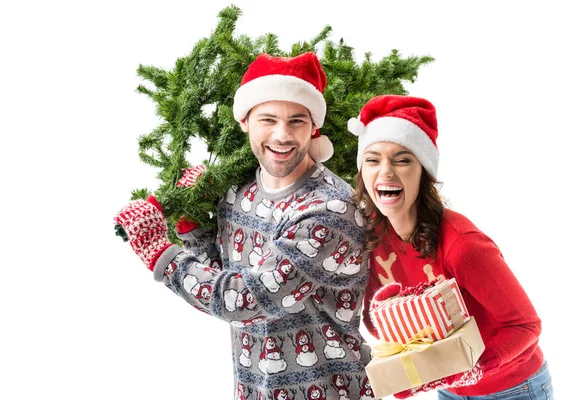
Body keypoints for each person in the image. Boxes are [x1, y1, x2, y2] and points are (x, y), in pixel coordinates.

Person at [114, 52, 375, 399]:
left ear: (314, 127)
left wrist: (160, 253)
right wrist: (192, 227)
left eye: (296, 121)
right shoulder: (239, 193)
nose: (282, 136)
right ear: (245, 121)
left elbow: (245, 299)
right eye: (268, 119)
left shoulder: (329, 210)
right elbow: (221, 279)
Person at [348, 95, 553, 399]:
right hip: (451, 389)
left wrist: (476, 367)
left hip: (512, 388)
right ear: (363, 173)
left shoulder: (462, 245)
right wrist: (389, 324)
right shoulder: (372, 239)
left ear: (423, 172)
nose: (386, 172)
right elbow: (374, 323)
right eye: (373, 159)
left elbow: (526, 325)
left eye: (402, 159)